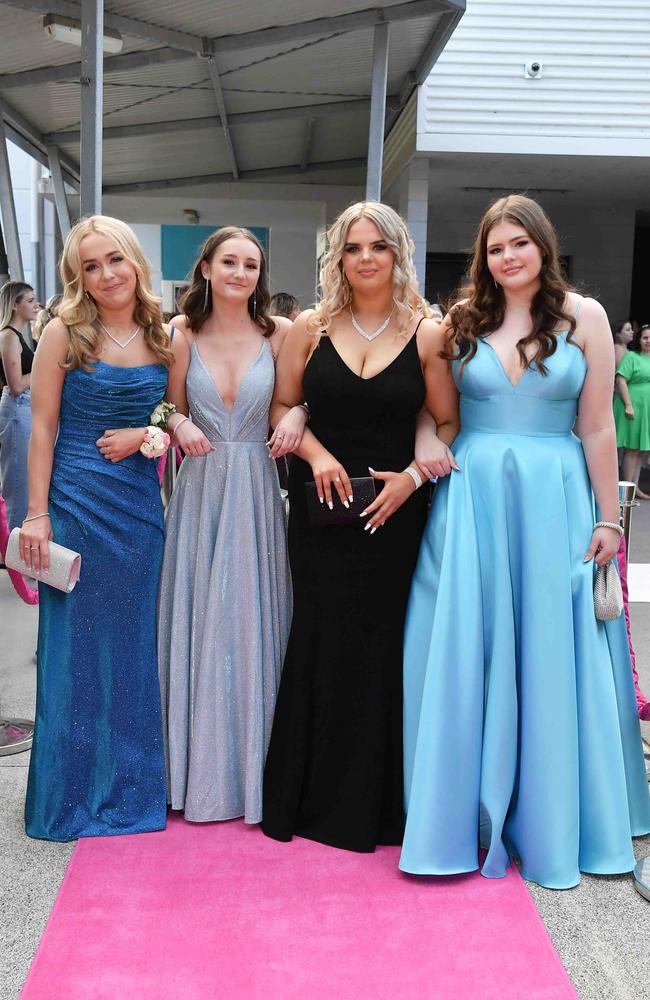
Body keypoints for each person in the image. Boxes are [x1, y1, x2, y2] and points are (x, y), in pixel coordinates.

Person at [400, 194, 650, 889]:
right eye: (495, 247)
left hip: (556, 497)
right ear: (484, 256)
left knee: (551, 649)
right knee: (462, 646)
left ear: (544, 246)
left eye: (519, 244)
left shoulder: (587, 317)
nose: (507, 257)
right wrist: (426, 448)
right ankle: (457, 809)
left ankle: (554, 816)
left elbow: (598, 426)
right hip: (473, 494)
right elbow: (431, 412)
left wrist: (609, 518)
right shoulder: (459, 323)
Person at [261, 201, 458, 853]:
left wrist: (411, 478)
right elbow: (284, 405)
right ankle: (306, 800)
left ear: (398, 254)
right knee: (319, 639)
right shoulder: (310, 328)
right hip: (320, 518)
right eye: (353, 247)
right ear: (337, 258)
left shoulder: (427, 333)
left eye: (379, 246)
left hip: (395, 518)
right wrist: (314, 453)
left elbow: (446, 423)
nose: (366, 257)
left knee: (383, 650)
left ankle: (378, 812)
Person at [20, 215, 181, 841]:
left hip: (139, 511)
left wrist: (149, 432)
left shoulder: (163, 332)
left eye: (114, 260)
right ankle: (68, 796)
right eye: (90, 266)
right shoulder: (63, 330)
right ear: (76, 277)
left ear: (135, 261)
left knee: (134, 650)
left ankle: (130, 793)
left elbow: (172, 409)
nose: (106, 274)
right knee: (74, 653)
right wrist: (37, 514)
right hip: (75, 505)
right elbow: (43, 428)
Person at [158, 227, 306, 825]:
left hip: (254, 488)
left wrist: (299, 412)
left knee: (248, 618)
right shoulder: (180, 334)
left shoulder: (281, 333)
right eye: (229, 262)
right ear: (207, 269)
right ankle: (193, 773)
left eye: (250, 264)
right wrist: (175, 424)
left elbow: (304, 395)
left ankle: (254, 774)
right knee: (198, 617)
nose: (240, 273)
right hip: (198, 489)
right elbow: (166, 406)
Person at [0, 282, 39, 530]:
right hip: (17, 408)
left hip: (23, 408)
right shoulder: (8, 336)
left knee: (23, 480)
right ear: (15, 305)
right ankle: (11, 550)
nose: (36, 305)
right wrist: (44, 369)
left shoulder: (16, 336)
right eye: (30, 301)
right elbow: (16, 385)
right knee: (17, 483)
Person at [614, 324, 650, 499]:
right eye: (645, 337)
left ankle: (634, 488)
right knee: (632, 449)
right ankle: (626, 490)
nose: (648, 341)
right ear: (639, 340)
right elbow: (621, 380)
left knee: (641, 450)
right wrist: (628, 405)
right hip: (634, 406)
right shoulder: (632, 357)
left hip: (646, 410)